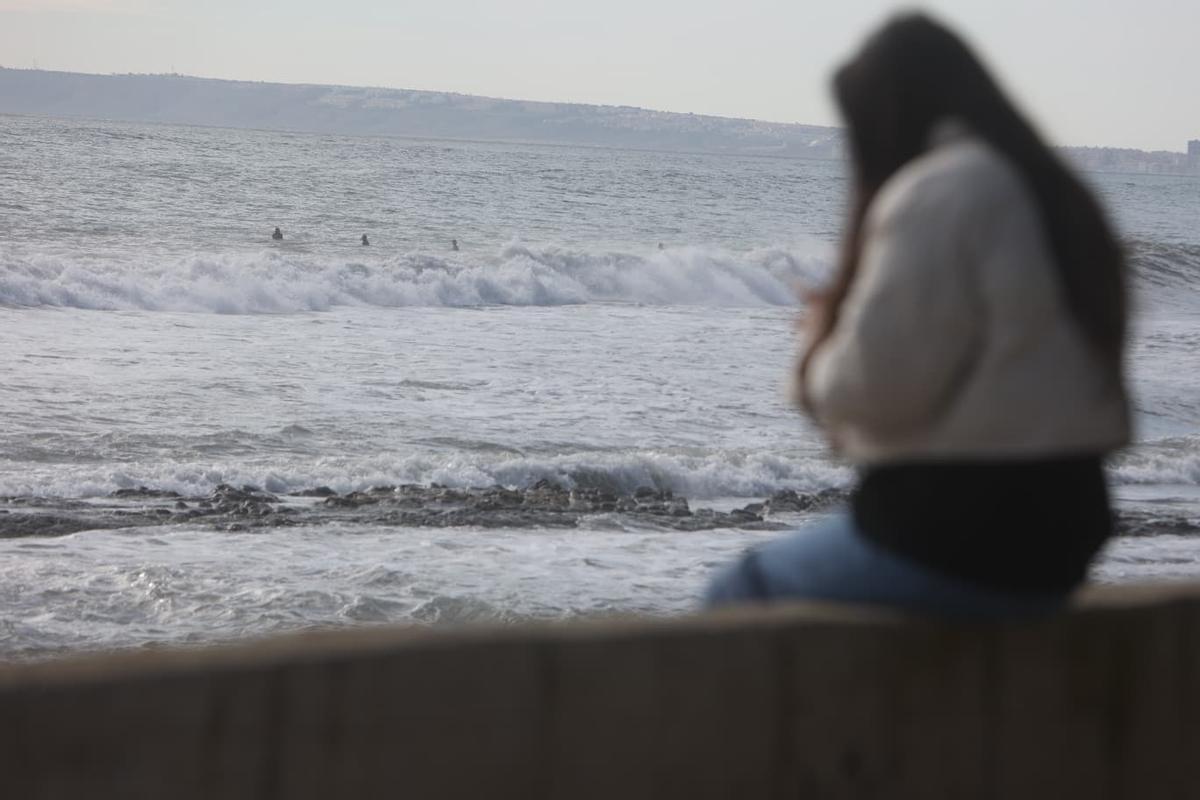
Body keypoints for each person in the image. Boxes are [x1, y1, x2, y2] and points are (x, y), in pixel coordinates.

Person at [706, 13, 1129, 619]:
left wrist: (816, 344)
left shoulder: (938, 190)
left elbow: (877, 390)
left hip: (961, 530)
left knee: (738, 592)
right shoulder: (1053, 188)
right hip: (1073, 523)